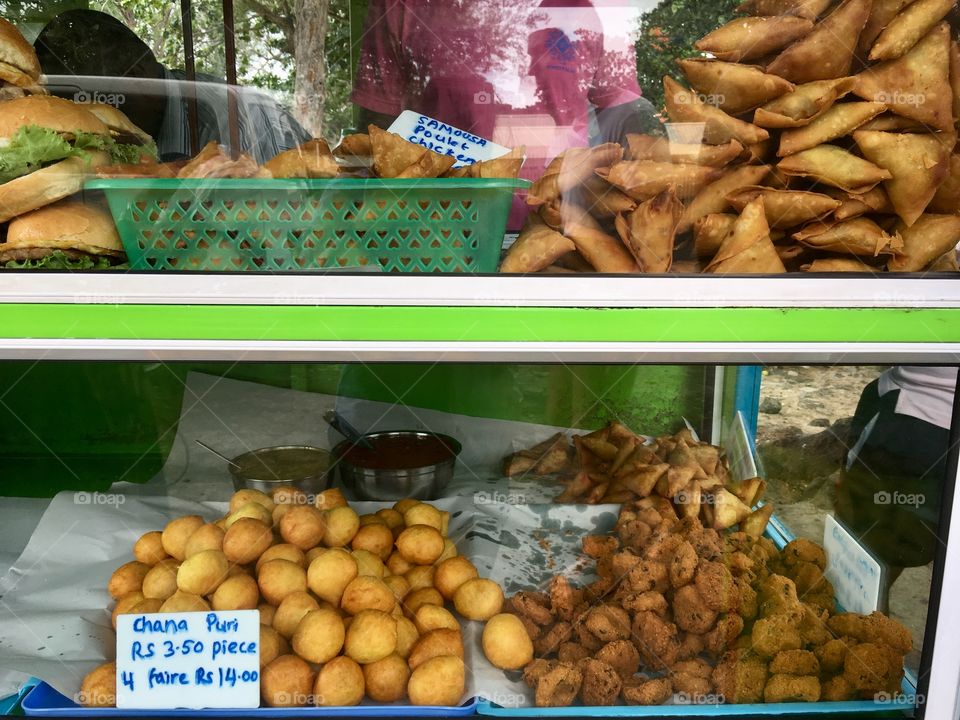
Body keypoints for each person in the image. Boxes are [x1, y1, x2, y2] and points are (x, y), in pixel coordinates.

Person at [351, 0, 659, 227]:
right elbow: (376, 137)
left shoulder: (593, 9)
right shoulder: (402, 6)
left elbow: (624, 123)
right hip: (438, 231)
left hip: (565, 232)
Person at [33, 9, 309, 163]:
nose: (93, 128)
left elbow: (284, 225)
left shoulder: (235, 121)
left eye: (99, 104)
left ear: (140, 76)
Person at [835, 366, 958, 612]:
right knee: (896, 542)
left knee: (864, 558)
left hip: (910, 418)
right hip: (925, 417)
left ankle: (871, 640)